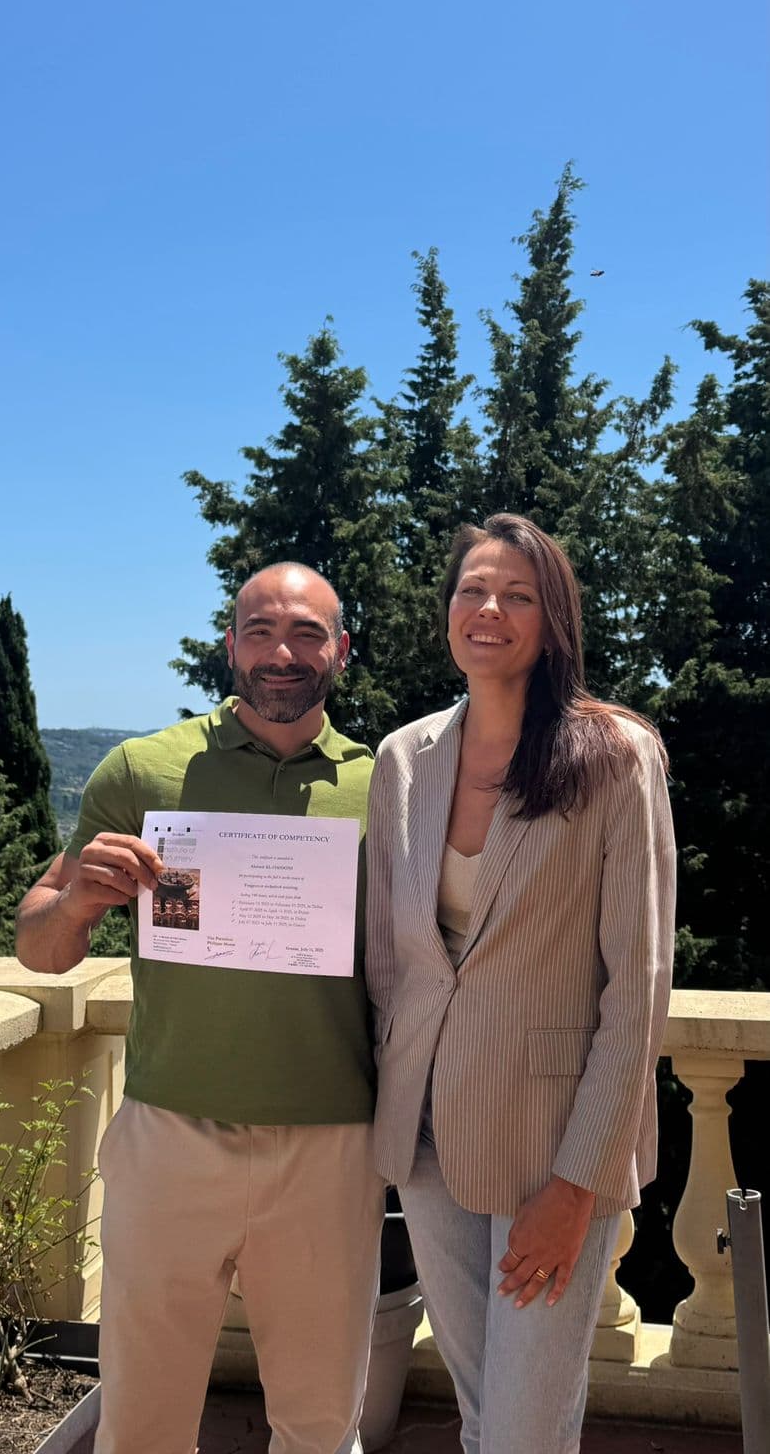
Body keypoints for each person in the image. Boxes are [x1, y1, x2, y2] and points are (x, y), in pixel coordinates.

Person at [16, 563, 384, 1454]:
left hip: (332, 1146)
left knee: (322, 1425)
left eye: (305, 633)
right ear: (230, 646)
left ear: (341, 649)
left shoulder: (391, 786)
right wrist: (76, 905)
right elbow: (40, 944)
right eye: (259, 631)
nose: (281, 653)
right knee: (140, 1420)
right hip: (169, 1137)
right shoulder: (143, 768)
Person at [365, 514, 675, 1454]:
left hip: (551, 1145)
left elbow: (639, 987)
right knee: (479, 1409)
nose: (489, 608)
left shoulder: (614, 757)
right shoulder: (404, 760)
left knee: (528, 1424)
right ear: (447, 612)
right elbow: (393, 956)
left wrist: (578, 1183)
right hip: (423, 1133)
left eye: (517, 594)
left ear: (553, 619)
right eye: (472, 590)